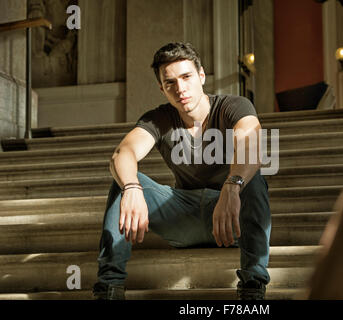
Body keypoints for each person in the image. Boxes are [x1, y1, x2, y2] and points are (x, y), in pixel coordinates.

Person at [92, 42, 272, 300]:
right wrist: (131, 187)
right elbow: (123, 153)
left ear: (201, 76)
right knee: (124, 181)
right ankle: (109, 288)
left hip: (232, 218)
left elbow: (251, 145)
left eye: (186, 77)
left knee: (254, 180)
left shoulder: (234, 106)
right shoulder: (159, 118)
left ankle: (252, 287)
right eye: (170, 83)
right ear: (162, 89)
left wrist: (232, 186)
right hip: (183, 215)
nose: (180, 88)